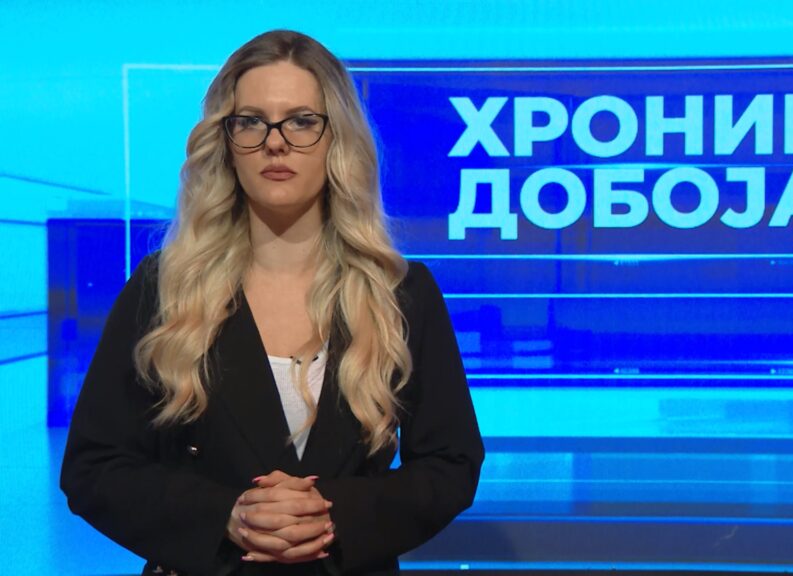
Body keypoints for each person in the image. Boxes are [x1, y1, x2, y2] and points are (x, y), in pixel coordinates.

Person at [60, 30, 484, 575]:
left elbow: (451, 464)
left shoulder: (401, 293)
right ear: (227, 141)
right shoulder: (164, 288)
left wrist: (334, 515)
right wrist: (225, 516)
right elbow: (94, 466)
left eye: (302, 121)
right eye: (251, 122)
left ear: (336, 140)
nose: (275, 142)